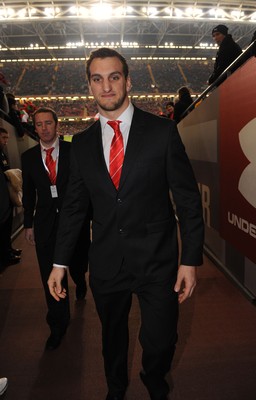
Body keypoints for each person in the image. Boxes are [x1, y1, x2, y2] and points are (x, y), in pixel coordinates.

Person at [47, 48, 204, 400]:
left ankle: (154, 379)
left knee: (161, 339)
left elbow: (188, 200)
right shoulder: (82, 144)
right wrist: (59, 263)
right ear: (89, 86)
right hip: (107, 263)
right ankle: (115, 388)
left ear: (128, 81)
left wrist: (190, 260)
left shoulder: (163, 132)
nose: (106, 86)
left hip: (157, 261)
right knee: (112, 337)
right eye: (97, 79)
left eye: (114, 76)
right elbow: (73, 208)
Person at [21, 107, 91, 351]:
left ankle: (80, 280)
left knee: (79, 263)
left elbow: (86, 188)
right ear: (35, 127)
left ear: (56, 124)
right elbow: (28, 194)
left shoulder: (74, 150)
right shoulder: (28, 157)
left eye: (48, 123)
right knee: (48, 274)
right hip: (46, 224)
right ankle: (58, 324)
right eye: (39, 124)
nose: (44, 128)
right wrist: (28, 223)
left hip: (75, 222)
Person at [0, 127, 22, 267]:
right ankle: (5, 256)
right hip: (2, 198)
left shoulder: (2, 153)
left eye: (7, 138)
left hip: (6, 195)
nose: (6, 141)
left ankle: (9, 250)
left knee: (7, 227)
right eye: (3, 138)